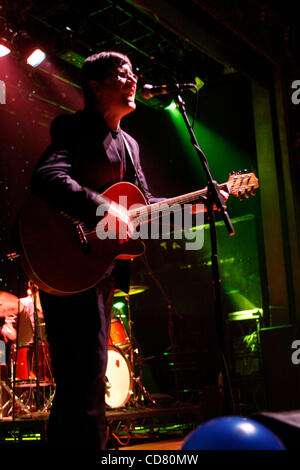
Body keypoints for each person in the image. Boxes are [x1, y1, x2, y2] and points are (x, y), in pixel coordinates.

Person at [30, 51, 162, 451]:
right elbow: (48, 177)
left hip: (102, 269)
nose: (132, 79)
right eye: (121, 73)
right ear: (95, 85)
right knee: (82, 377)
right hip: (68, 262)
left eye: (133, 72)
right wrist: (103, 207)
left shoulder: (131, 145)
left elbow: (147, 205)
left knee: (90, 376)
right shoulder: (74, 128)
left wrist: (203, 202)